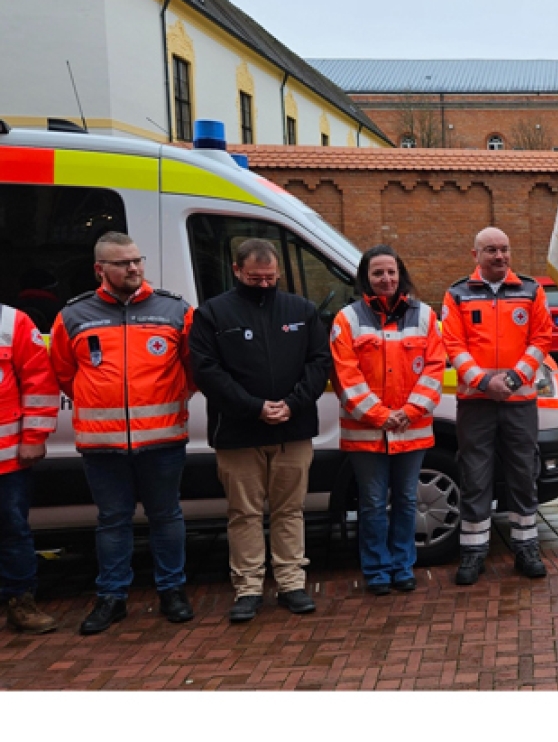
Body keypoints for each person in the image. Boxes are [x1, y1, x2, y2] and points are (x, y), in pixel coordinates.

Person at [50, 232, 195, 634]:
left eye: (137, 260)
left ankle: (173, 591)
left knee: (167, 516)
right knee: (112, 521)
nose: (133, 268)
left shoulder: (174, 309)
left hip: (163, 438)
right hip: (103, 444)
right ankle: (111, 597)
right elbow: (65, 374)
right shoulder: (73, 316)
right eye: (122, 263)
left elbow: (193, 368)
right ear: (100, 269)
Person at [189, 238, 332, 623]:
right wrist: (254, 408)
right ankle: (248, 588)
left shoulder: (301, 310)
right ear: (237, 270)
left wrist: (293, 403)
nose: (264, 285)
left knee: (290, 511)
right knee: (244, 513)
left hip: (293, 429)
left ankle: (291, 583)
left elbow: (319, 362)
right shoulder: (213, 314)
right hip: (238, 432)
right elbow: (206, 370)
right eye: (255, 278)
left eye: (270, 278)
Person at [330, 246, 445, 595]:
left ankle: (402, 566)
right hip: (367, 433)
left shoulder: (425, 316)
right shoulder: (347, 319)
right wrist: (382, 416)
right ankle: (377, 571)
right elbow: (345, 377)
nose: (386, 279)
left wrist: (407, 413)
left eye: (391, 272)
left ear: (401, 274)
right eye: (378, 273)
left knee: (407, 501)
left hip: (411, 429)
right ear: (365, 277)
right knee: (373, 504)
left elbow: (435, 369)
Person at [441, 227, 553, 586]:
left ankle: (526, 549)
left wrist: (515, 379)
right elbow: (453, 345)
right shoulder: (457, 294)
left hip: (519, 401)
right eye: (491, 250)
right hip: (476, 402)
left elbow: (541, 338)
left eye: (504, 249)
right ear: (475, 255)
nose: (500, 256)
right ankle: (473, 553)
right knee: (475, 477)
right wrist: (484, 381)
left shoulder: (531, 290)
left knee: (524, 474)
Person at [0, 303, 59, 633]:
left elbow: (39, 381)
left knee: (12, 531)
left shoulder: (12, 322)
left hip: (6, 459)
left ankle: (20, 603)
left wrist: (34, 436)